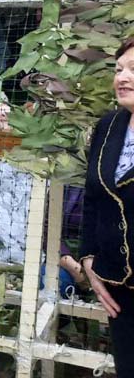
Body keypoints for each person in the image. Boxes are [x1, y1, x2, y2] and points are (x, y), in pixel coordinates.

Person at [80, 36, 134, 376]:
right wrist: (89, 260)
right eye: (118, 70)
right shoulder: (109, 126)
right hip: (119, 289)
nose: (122, 78)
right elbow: (94, 199)